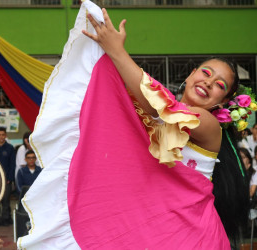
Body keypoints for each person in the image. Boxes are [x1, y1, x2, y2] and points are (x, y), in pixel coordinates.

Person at [18, 2, 249, 249]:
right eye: (206, 72)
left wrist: (117, 51)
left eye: (220, 85)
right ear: (191, 73)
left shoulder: (208, 125)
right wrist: (106, 58)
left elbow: (157, 105)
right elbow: (129, 99)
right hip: (151, 230)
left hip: (191, 237)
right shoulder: (155, 106)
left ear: (222, 101)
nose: (209, 82)